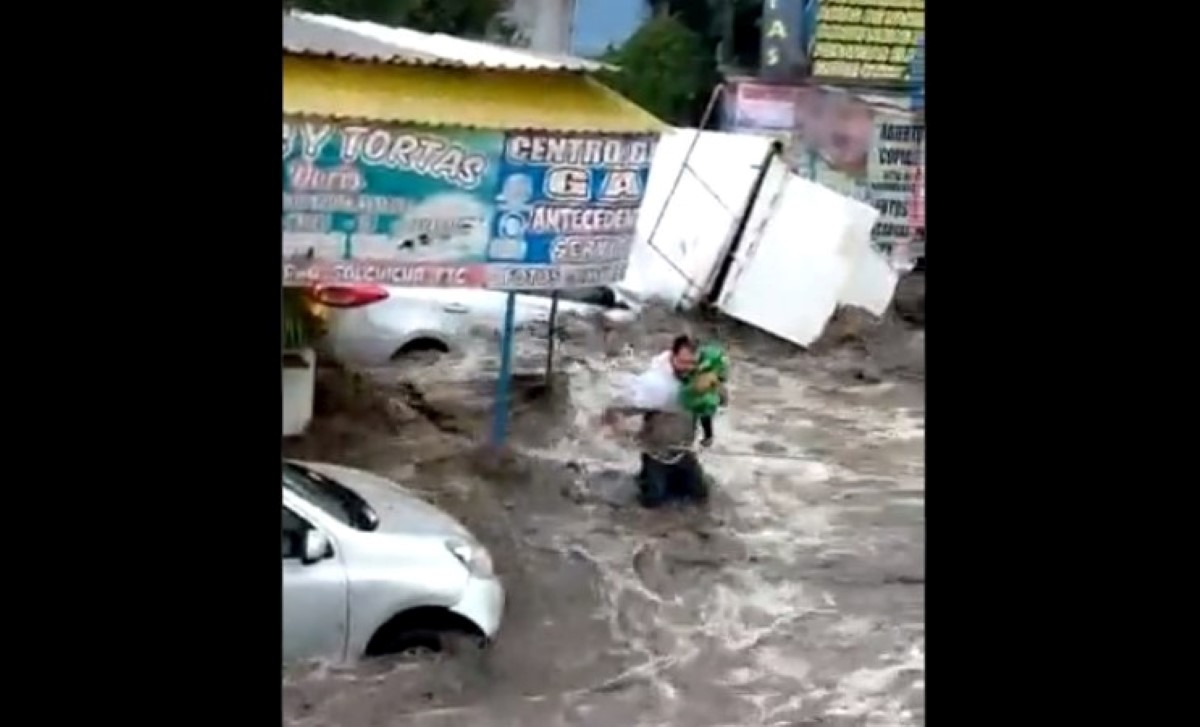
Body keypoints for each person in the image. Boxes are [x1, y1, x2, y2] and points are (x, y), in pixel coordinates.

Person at [602, 335, 720, 508]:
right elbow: (621, 407)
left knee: (701, 496)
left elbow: (706, 408)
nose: (688, 368)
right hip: (656, 454)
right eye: (684, 362)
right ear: (672, 356)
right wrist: (616, 425)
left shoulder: (700, 381)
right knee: (654, 500)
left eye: (693, 363)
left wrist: (708, 434)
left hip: (683, 452)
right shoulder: (655, 384)